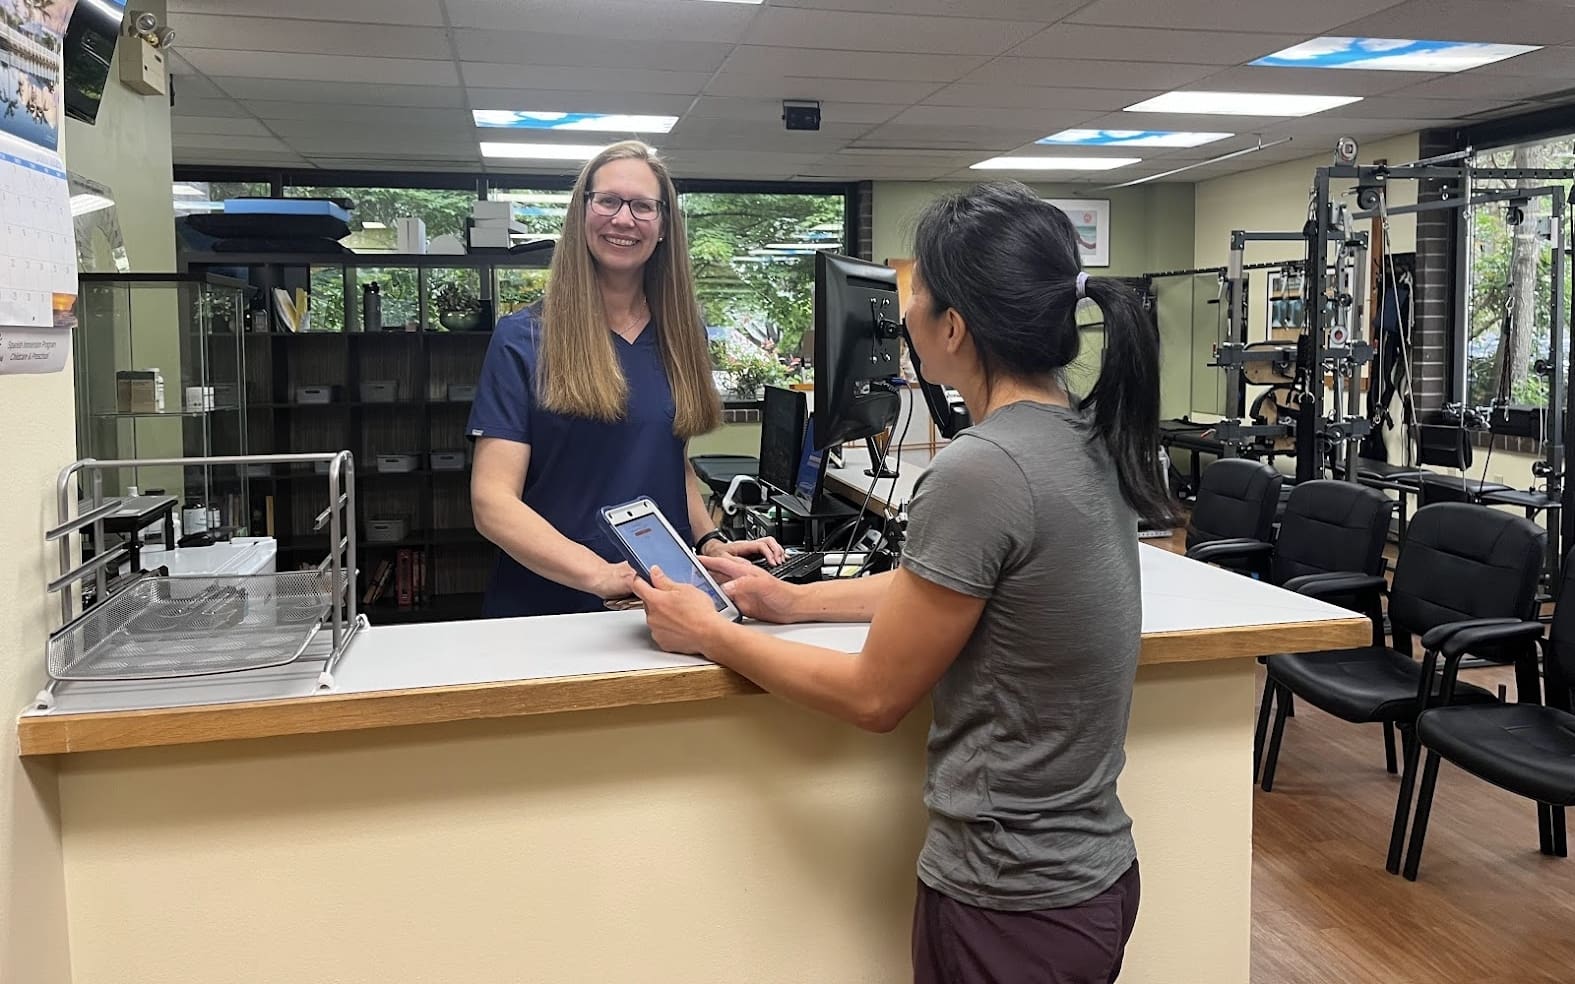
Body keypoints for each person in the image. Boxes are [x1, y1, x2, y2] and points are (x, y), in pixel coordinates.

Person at [631, 181, 1169, 983]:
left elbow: (873, 698)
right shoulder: (1083, 437)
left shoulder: (982, 468)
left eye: (913, 301)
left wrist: (710, 634)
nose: (903, 319)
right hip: (1086, 875)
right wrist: (790, 601)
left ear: (952, 327)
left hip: (1007, 898)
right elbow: (957, 585)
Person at [468, 140, 784, 618]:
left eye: (642, 206)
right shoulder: (523, 339)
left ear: (663, 227)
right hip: (549, 608)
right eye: (608, 201)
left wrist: (710, 541)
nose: (623, 219)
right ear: (583, 212)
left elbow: (669, 457)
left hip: (664, 601)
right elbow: (492, 502)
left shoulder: (683, 332)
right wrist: (602, 574)